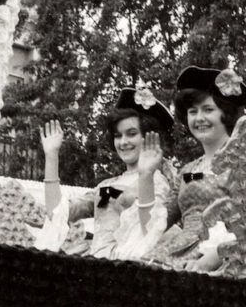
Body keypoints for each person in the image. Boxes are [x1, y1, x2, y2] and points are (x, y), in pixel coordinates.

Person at [38, 87, 174, 259]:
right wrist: (51, 156)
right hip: (98, 265)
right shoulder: (105, 186)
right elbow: (57, 214)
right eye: (118, 135)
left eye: (131, 134)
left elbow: (151, 231)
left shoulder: (156, 181)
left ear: (148, 137)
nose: (123, 142)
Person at [143, 66, 246, 272]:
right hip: (176, 253)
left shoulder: (245, 162)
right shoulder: (188, 170)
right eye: (193, 112)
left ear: (226, 114)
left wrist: (213, 258)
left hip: (226, 260)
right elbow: (154, 225)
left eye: (208, 110)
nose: (199, 118)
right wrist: (146, 175)